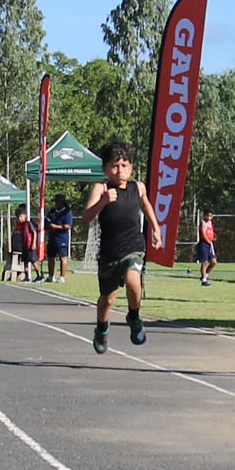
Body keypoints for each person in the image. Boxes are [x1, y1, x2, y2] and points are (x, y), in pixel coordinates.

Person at [82, 140, 163, 354]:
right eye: (115, 166)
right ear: (105, 169)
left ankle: (134, 316)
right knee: (107, 299)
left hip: (133, 246)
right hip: (109, 252)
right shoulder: (101, 188)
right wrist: (103, 202)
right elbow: (86, 217)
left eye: (124, 165)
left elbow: (146, 205)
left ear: (131, 168)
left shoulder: (139, 187)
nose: (120, 170)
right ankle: (101, 328)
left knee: (132, 280)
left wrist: (156, 228)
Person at [44, 193, 73, 283]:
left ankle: (62, 277)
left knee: (63, 257)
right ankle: (51, 276)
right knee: (51, 257)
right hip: (52, 238)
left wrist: (55, 227)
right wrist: (48, 225)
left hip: (62, 239)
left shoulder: (67, 212)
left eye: (58, 202)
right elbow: (47, 221)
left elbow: (68, 226)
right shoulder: (52, 211)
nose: (56, 204)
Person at [3, 206, 29, 281]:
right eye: (18, 217)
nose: (19, 218)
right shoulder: (19, 224)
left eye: (21, 216)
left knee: (26, 259)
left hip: (23, 245)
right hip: (17, 243)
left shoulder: (27, 223)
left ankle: (25, 275)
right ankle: (11, 274)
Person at [195, 210, 217, 287]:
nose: (209, 217)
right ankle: (204, 280)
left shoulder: (211, 223)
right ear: (204, 215)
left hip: (210, 244)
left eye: (210, 216)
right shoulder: (203, 223)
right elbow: (203, 232)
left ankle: (205, 276)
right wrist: (207, 240)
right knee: (205, 262)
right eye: (207, 215)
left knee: (214, 262)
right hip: (204, 243)